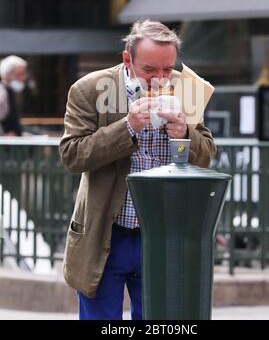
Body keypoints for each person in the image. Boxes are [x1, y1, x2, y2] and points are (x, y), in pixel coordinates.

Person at [59, 20, 217, 320]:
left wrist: (185, 133)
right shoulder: (90, 89)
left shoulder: (188, 89)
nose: (159, 79)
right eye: (149, 70)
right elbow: (72, 155)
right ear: (127, 59)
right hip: (106, 232)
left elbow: (207, 155)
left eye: (167, 69)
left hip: (162, 235)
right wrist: (127, 127)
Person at [0, 55, 27, 136]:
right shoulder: (2, 93)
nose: (23, 77)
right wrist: (3, 135)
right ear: (8, 74)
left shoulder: (10, 92)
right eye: (20, 74)